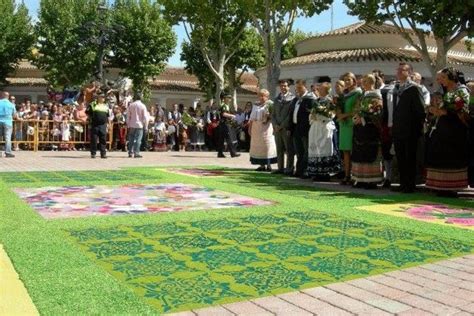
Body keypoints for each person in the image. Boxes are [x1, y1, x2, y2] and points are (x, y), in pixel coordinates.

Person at [425, 67, 470, 196]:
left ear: (452, 77)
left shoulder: (462, 90)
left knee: (451, 156)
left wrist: (445, 112)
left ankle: (451, 187)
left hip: (455, 130)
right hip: (442, 129)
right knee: (440, 154)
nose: (441, 80)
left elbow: (464, 110)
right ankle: (439, 185)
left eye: (444, 77)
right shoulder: (444, 92)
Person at [391, 63, 426, 193]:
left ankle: (410, 184)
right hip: (398, 128)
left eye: (402, 70)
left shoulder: (414, 88)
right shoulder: (396, 88)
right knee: (400, 157)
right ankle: (403, 183)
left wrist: (416, 128)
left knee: (410, 157)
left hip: (411, 130)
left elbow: (420, 111)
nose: (399, 72)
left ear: (410, 72)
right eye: (398, 69)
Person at [351, 74, 383, 188]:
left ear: (371, 82)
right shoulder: (363, 95)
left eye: (365, 82)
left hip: (370, 128)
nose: (362, 84)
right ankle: (360, 178)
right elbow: (358, 108)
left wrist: (363, 119)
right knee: (360, 152)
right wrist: (356, 117)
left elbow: (377, 112)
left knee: (370, 153)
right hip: (360, 129)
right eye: (362, 82)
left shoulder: (376, 94)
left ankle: (371, 180)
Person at [307, 81, 341, 181]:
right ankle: (317, 172)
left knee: (325, 147)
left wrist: (321, 115)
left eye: (321, 89)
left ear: (326, 90)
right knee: (315, 147)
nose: (318, 90)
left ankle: (325, 173)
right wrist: (313, 116)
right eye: (319, 89)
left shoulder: (330, 101)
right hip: (316, 127)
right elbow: (311, 114)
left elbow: (331, 115)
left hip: (325, 126)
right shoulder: (315, 101)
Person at [337, 72, 363, 184]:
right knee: (345, 151)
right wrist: (339, 113)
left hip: (352, 124)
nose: (347, 82)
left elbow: (357, 110)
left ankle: (355, 175)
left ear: (354, 81)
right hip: (343, 125)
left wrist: (345, 115)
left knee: (353, 150)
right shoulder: (344, 95)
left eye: (349, 80)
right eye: (345, 80)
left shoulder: (358, 93)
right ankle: (347, 175)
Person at [289, 79, 316, 178]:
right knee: (298, 150)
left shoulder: (310, 99)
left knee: (306, 151)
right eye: (297, 88)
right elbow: (292, 114)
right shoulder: (296, 100)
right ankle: (299, 170)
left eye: (300, 88)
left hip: (305, 128)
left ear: (305, 87)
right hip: (296, 128)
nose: (298, 90)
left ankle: (305, 170)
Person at [249, 89, 277, 171]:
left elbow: (274, 116)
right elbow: (251, 118)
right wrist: (250, 128)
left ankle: (268, 165)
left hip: (266, 127)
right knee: (258, 147)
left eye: (263, 96)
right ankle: (261, 165)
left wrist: (268, 117)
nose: (261, 97)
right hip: (256, 128)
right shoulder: (256, 104)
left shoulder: (270, 104)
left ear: (267, 96)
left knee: (267, 145)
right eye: (260, 95)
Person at [272, 79, 295, 175]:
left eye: (285, 86)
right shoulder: (276, 99)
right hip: (277, 128)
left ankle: (289, 168)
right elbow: (273, 114)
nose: (283, 88)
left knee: (289, 150)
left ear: (288, 87)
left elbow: (290, 115)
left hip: (286, 128)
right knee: (279, 149)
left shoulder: (292, 98)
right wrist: (275, 125)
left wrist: (281, 126)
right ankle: (280, 168)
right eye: (281, 86)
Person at [86, 93, 111, 159]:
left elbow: (108, 116)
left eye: (103, 97)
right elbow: (88, 113)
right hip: (95, 125)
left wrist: (109, 124)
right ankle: (93, 153)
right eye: (101, 97)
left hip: (103, 125)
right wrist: (90, 121)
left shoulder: (106, 106)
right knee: (94, 140)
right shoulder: (93, 104)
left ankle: (103, 154)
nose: (103, 98)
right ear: (98, 97)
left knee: (103, 140)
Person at [126, 93, 148, 158]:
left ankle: (130, 152)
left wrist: (128, 124)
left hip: (132, 124)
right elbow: (145, 117)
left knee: (131, 139)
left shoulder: (131, 105)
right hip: (139, 125)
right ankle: (136, 153)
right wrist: (146, 126)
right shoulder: (142, 106)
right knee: (138, 139)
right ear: (140, 98)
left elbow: (128, 116)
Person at [0, 91, 17, 157]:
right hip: (8, 122)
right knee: (7, 137)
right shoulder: (11, 104)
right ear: (8, 96)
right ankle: (8, 152)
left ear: (2, 95)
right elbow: (15, 115)